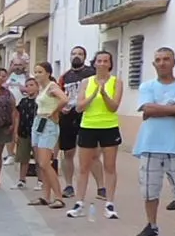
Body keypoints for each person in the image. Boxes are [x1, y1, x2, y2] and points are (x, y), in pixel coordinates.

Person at [132, 47, 175, 236]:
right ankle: (151, 225)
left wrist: (157, 110)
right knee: (149, 190)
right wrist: (174, 109)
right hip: (150, 146)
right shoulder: (147, 86)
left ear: (174, 62)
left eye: (166, 59)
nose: (162, 63)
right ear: (154, 64)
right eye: (158, 60)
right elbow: (146, 108)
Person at [66, 51, 124, 220]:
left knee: (110, 166)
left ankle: (110, 204)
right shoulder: (87, 81)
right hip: (88, 126)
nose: (102, 64)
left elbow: (114, 107)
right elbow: (79, 107)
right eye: (99, 61)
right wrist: (93, 95)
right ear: (95, 63)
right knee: (84, 167)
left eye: (106, 61)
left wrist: (105, 93)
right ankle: (79, 203)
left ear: (110, 64)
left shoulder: (116, 82)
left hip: (109, 126)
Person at [58, 47, 102, 199]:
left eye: (80, 54)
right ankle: (69, 185)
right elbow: (59, 94)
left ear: (85, 57)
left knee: (94, 153)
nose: (76, 56)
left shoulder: (91, 74)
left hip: (87, 116)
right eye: (74, 54)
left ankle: (101, 187)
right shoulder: (65, 76)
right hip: (68, 117)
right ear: (70, 57)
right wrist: (61, 107)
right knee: (67, 153)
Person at [28, 62, 67, 209]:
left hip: (48, 123)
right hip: (39, 122)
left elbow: (64, 99)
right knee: (40, 163)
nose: (37, 75)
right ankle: (45, 196)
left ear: (48, 73)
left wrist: (54, 112)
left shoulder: (52, 87)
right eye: (36, 72)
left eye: (40, 72)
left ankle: (58, 197)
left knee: (45, 163)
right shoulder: (42, 88)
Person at [14, 75, 38, 190]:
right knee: (23, 158)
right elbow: (18, 116)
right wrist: (15, 132)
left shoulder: (39, 101)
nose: (29, 88)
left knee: (39, 158)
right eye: (27, 86)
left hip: (37, 133)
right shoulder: (23, 101)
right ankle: (22, 179)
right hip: (23, 131)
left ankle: (41, 180)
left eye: (32, 85)